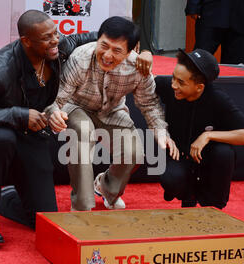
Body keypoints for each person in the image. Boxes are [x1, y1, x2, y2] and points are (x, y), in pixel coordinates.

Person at [0, 10, 154, 244]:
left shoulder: (58, 46)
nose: (55, 41)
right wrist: (20, 115)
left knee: (44, 218)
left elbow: (105, 37)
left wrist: (141, 52)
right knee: (3, 139)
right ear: (26, 41)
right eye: (47, 38)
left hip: (33, 133)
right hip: (2, 130)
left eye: (56, 33)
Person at [45, 16, 179, 211]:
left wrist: (160, 131)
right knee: (83, 130)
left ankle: (107, 189)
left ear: (131, 51)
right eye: (104, 45)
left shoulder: (138, 68)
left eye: (117, 50)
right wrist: (54, 113)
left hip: (112, 111)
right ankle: (82, 206)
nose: (107, 55)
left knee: (135, 152)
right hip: (76, 107)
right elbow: (57, 98)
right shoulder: (80, 58)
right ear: (97, 39)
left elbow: (148, 103)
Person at [155, 48, 244, 209]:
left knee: (224, 153)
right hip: (178, 154)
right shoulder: (168, 86)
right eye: (173, 78)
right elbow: (141, 80)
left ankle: (213, 207)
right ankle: (185, 194)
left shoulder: (218, 99)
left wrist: (208, 136)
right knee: (171, 179)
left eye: (181, 82)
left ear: (199, 87)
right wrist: (146, 54)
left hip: (206, 157)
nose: (174, 85)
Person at [185, 0, 244, 64]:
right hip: (211, 13)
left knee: (236, 67)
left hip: (243, 17)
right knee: (199, 60)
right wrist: (193, 7)